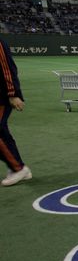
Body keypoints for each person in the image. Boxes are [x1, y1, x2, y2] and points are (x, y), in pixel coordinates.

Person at [0, 39, 31, 186]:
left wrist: (13, 93)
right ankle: (16, 167)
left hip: (2, 96)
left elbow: (7, 67)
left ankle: (18, 168)